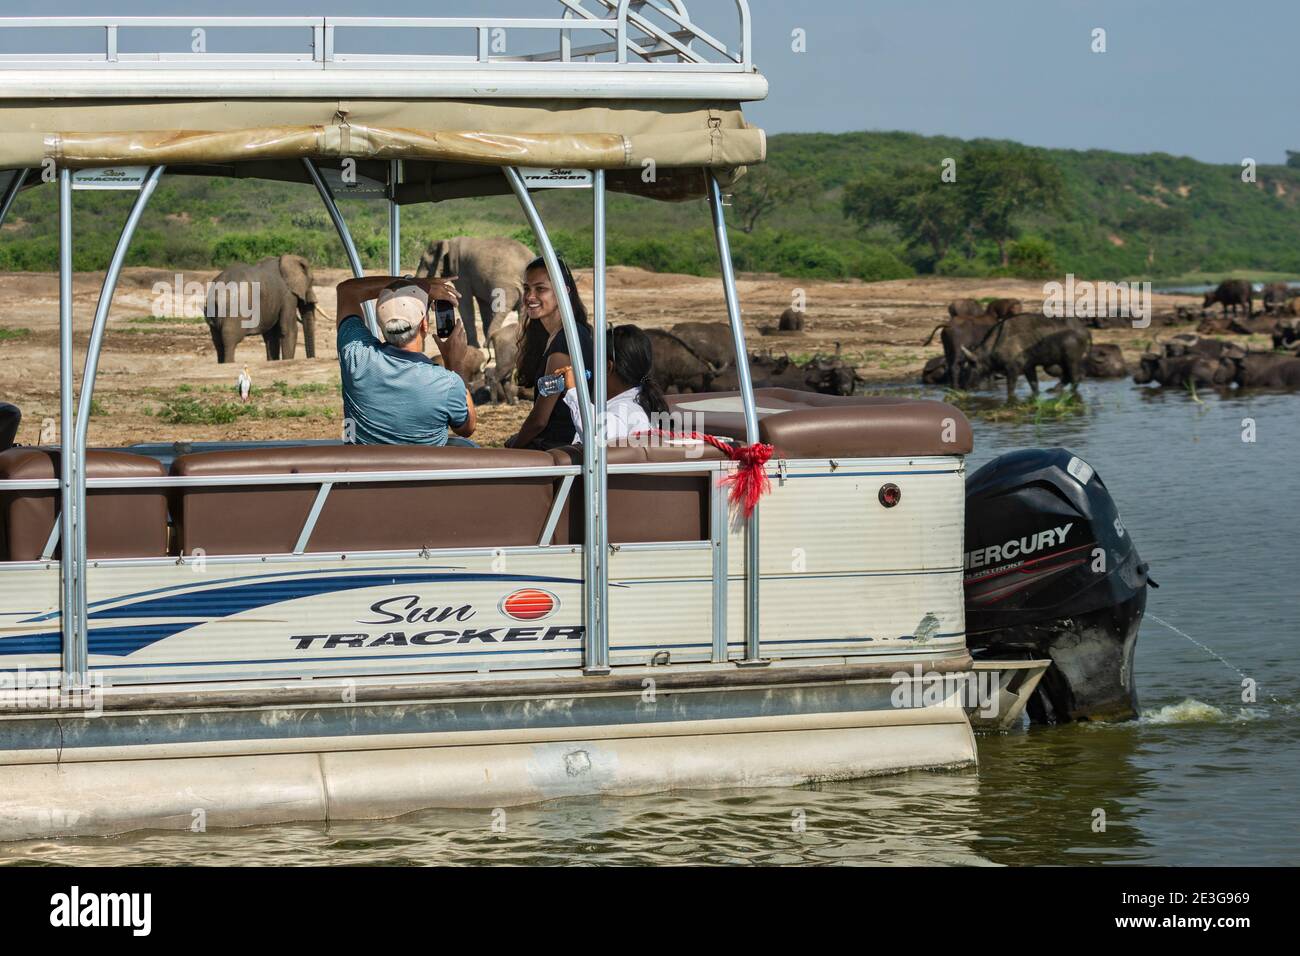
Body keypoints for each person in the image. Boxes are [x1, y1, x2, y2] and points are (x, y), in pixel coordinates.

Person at [335, 275, 477, 447]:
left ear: (381, 326)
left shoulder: (356, 355)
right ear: (424, 324)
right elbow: (467, 428)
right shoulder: (447, 383)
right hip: (423, 473)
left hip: (364, 472)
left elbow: (347, 290)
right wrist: (455, 366)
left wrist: (418, 284)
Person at [504, 257, 594, 450]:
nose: (529, 296)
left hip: (560, 449)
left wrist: (514, 448)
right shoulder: (556, 337)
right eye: (527, 288)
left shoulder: (565, 342)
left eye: (540, 289)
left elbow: (540, 420)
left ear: (564, 292)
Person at [558, 324, 669, 444]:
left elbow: (595, 433)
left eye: (595, 361)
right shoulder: (641, 401)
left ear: (608, 367)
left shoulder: (626, 410)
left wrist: (574, 391)